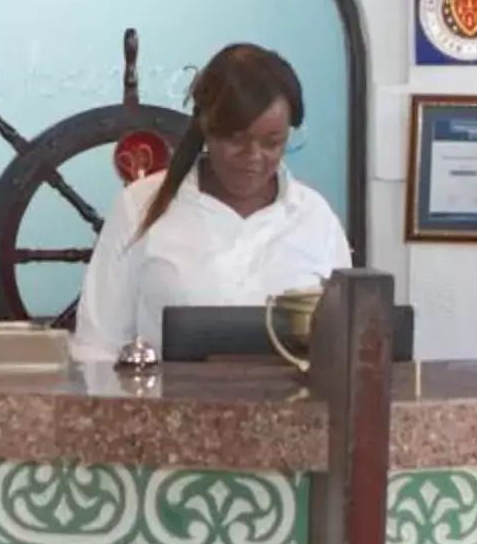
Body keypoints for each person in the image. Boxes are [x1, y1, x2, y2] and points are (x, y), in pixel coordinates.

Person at [71, 43, 349, 360]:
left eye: (273, 143)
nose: (254, 157)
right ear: (207, 128)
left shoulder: (315, 218)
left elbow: (342, 350)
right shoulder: (140, 206)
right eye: (237, 140)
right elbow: (97, 345)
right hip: (166, 409)